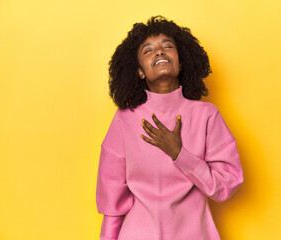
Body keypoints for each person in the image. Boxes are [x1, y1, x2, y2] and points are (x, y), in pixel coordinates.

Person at [96, 15, 244, 240]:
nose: (159, 52)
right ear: (139, 72)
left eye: (168, 47)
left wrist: (180, 154)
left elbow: (226, 185)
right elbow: (112, 198)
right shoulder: (123, 120)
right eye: (148, 50)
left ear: (182, 62)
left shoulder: (207, 115)